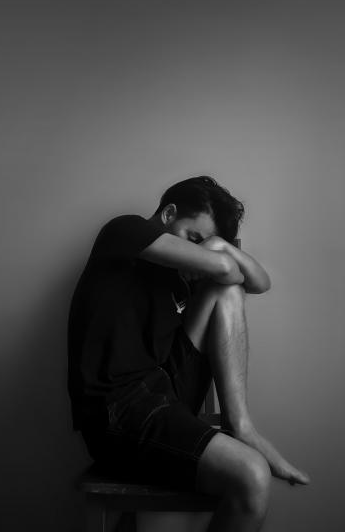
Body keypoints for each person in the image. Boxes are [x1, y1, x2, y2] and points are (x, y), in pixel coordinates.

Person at [68, 176, 309, 531]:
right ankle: (242, 441)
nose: (198, 252)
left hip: (163, 391)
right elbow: (228, 269)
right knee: (252, 474)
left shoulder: (180, 275)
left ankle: (241, 426)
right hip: (116, 409)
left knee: (228, 293)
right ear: (168, 214)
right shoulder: (123, 231)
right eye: (194, 238)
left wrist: (218, 247)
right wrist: (218, 252)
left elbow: (260, 282)